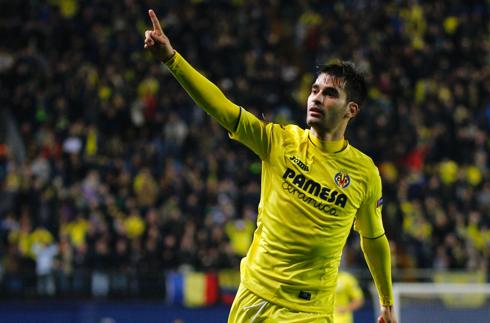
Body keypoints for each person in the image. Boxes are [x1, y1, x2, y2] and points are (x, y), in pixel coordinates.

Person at [144, 9, 396, 323]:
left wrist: (386, 302)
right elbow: (223, 108)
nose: (316, 98)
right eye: (314, 90)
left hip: (311, 311)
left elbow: (373, 239)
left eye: (330, 94)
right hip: (257, 299)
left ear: (351, 110)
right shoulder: (279, 141)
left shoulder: (364, 173)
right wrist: (172, 59)